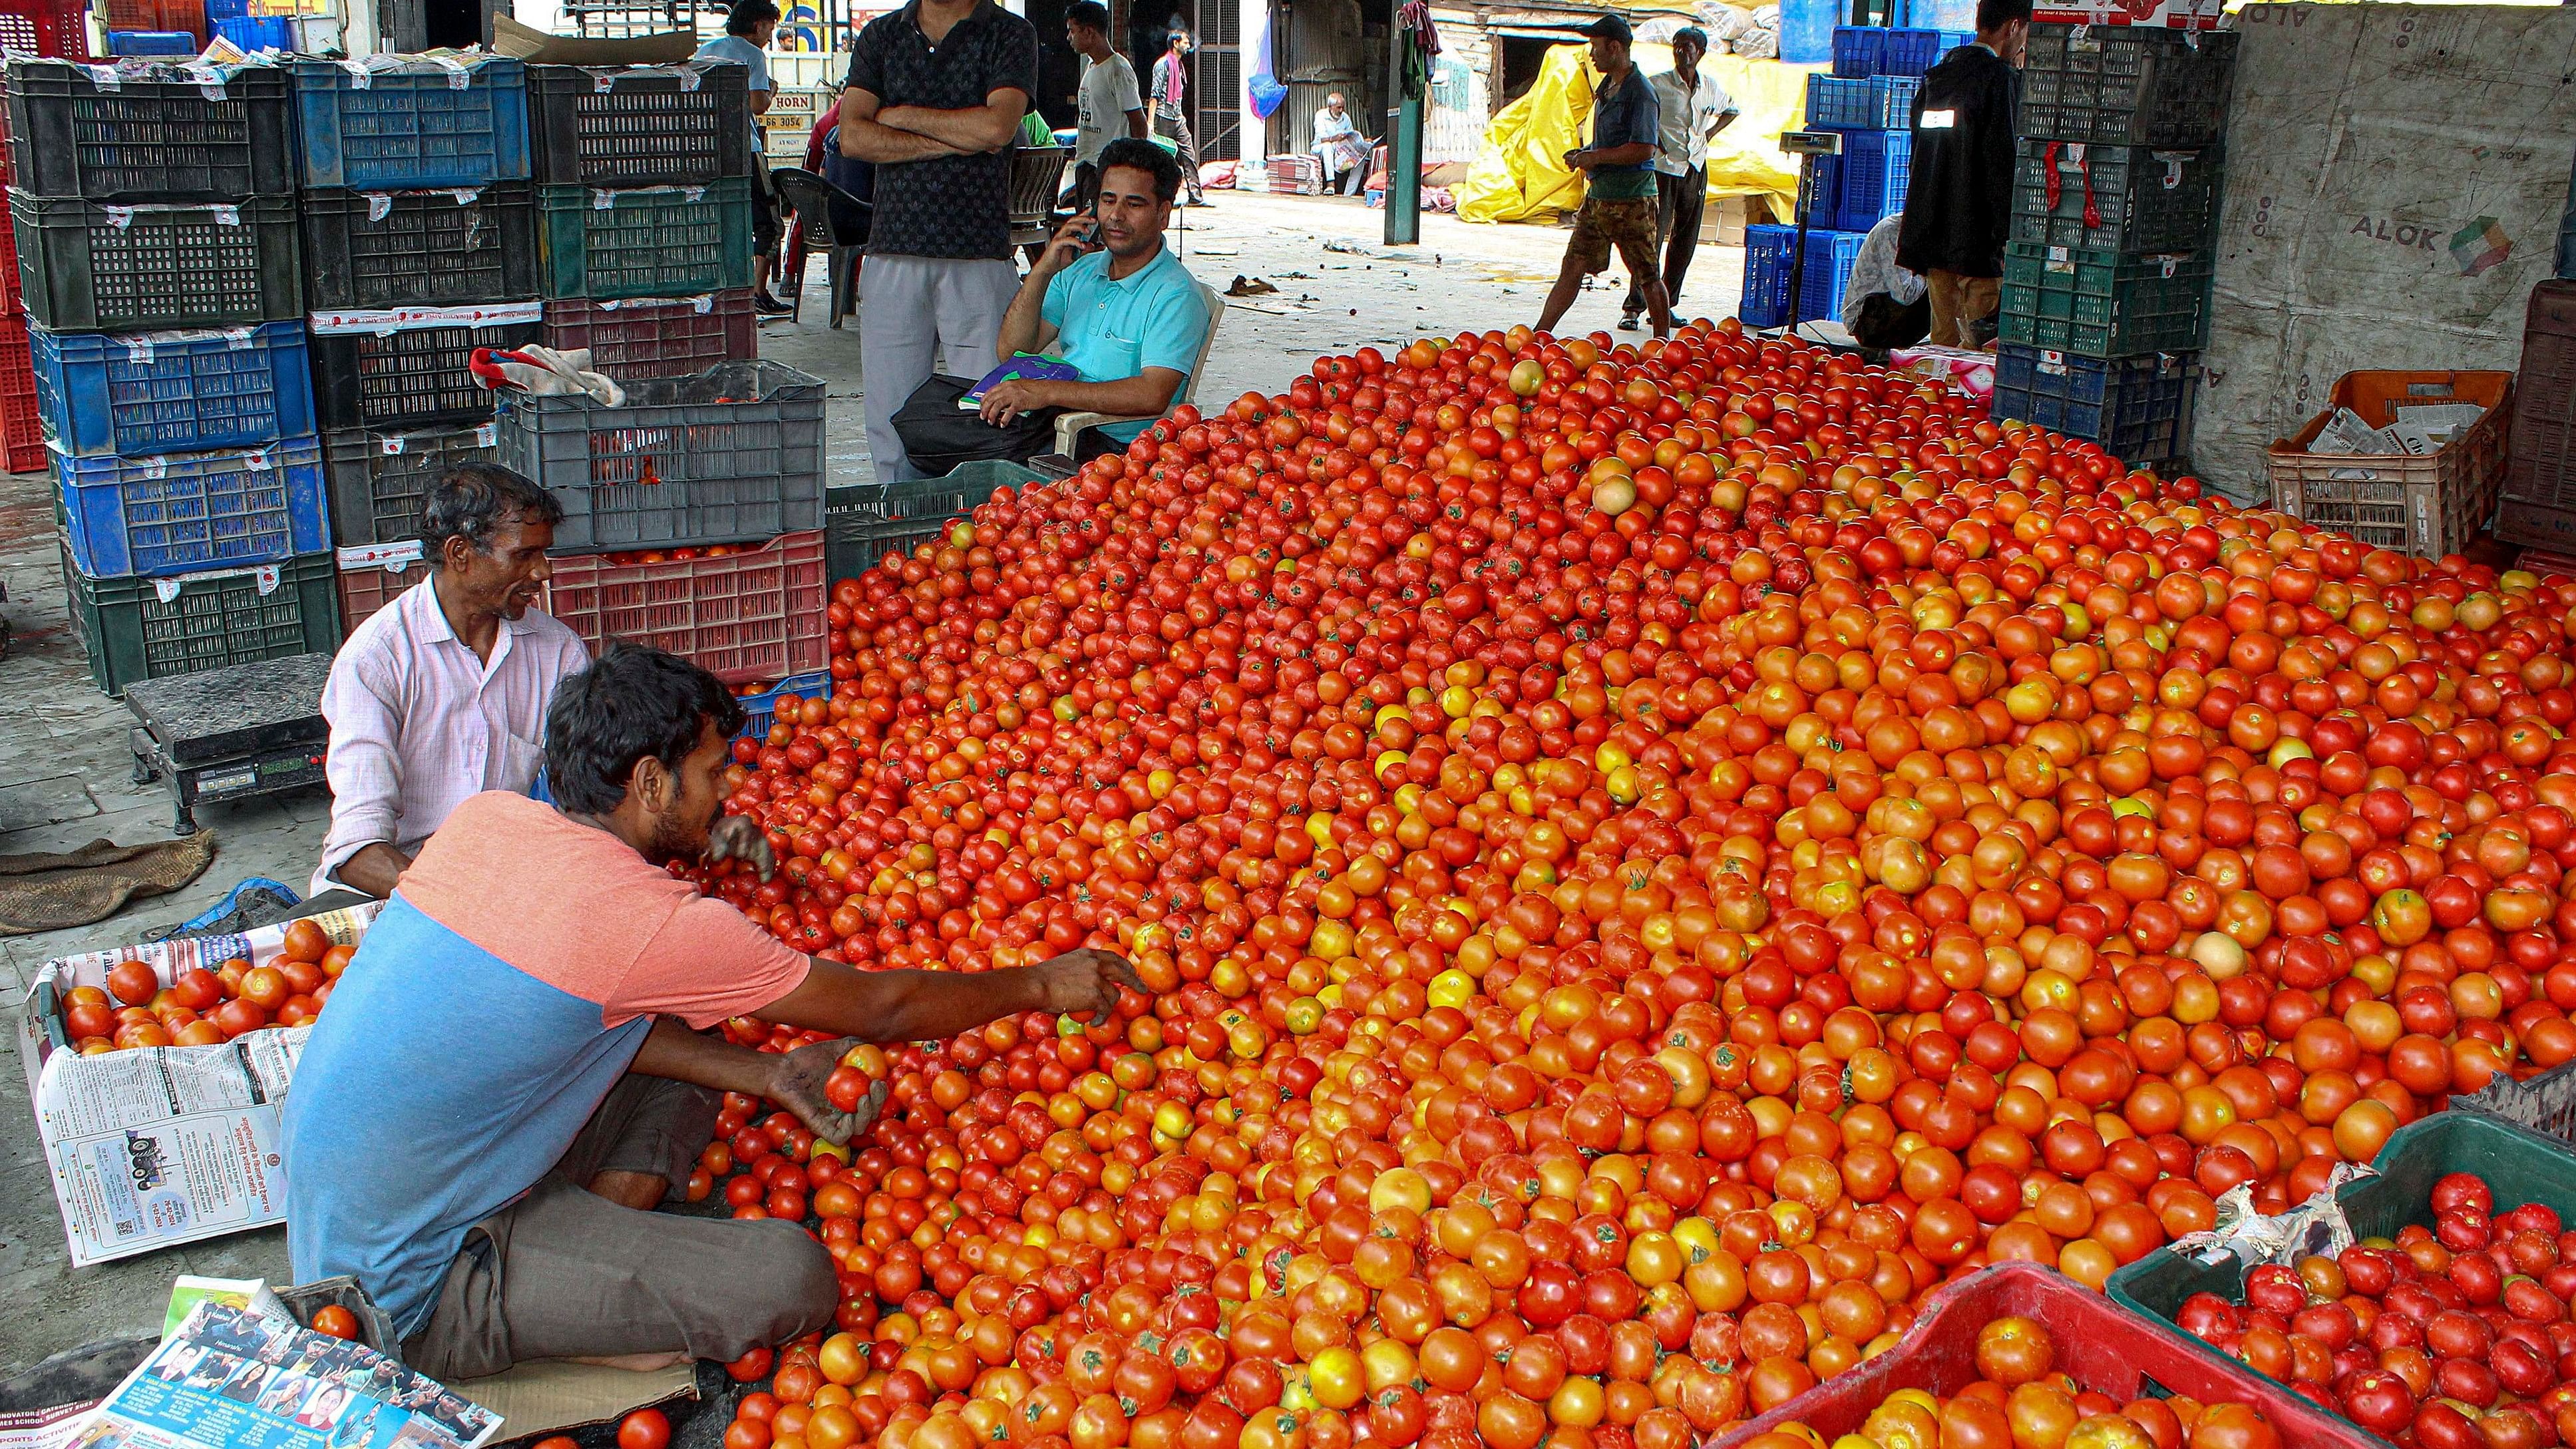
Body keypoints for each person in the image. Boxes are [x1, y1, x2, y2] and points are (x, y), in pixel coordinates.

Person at [280, 644, 1143, 1380]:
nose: (726, 793)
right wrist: (1040, 983)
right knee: (790, 1276)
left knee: (688, 1039)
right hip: (409, 1287)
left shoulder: (485, 822)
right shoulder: (644, 918)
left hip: (380, 1191)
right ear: (651, 782)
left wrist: (767, 1076)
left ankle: (596, 1254)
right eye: (714, 773)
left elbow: (570, 1018)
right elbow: (886, 1005)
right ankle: (573, 1295)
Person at [311, 465, 588, 905]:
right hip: (393, 887)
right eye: (523, 556)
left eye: (544, 554)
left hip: (496, 882)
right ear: (460, 553)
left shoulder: (559, 653)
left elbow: (589, 790)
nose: (544, 572)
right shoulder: (377, 659)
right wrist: (461, 902)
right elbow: (357, 851)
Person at [838, 0, 1039, 483]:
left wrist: (903, 115)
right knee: (890, 414)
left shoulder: (1010, 33)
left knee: (989, 411)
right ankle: (901, 527)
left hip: (978, 252)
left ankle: (988, 527)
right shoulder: (881, 35)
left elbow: (997, 127)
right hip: (893, 246)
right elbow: (854, 138)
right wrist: (957, 139)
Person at [974, 138, 1211, 448]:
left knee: (960, 445)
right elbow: (1014, 350)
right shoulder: (1081, 270)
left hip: (1112, 445)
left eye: (1134, 204)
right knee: (933, 411)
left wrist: (1045, 392)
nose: (1116, 215)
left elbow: (1153, 394)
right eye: (1108, 200)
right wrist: (1043, 270)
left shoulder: (1176, 296)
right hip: (1055, 420)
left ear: (1163, 214)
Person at [1897, 0, 2028, 348]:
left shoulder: (1937, 78)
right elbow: (2002, 163)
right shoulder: (2000, 81)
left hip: (1933, 238)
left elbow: (1918, 157)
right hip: (1978, 246)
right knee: (1977, 352)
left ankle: (1932, 402)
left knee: (1943, 344)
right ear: (2013, 27)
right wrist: (2008, 236)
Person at [1536, 15, 1670, 339]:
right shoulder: (1608, 87)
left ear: (1615, 48)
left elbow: (1644, 149)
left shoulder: (1641, 92)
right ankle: (1539, 336)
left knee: (1648, 275)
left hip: (1633, 200)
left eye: (1596, 47)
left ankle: (1663, 345)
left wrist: (1595, 157)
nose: (1592, 54)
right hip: (1599, 198)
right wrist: (1585, 152)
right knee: (1573, 266)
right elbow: (1612, 142)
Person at [1620, 27, 1735, 331]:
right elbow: (1638, 114)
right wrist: (1653, 138)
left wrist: (1709, 135)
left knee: (1685, 241)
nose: (1681, 52)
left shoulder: (1709, 87)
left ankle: (1666, 306)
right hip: (1663, 169)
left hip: (1695, 168)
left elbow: (1732, 109)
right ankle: (1633, 308)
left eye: (1687, 47)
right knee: (1651, 240)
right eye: (1677, 46)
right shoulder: (1657, 85)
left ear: (1701, 52)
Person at [695, 0, 790, 315]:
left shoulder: (704, 51)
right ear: (758, 25)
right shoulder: (753, 55)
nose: (770, 35)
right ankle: (758, 293)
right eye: (770, 28)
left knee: (720, 221)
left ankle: (721, 292)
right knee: (770, 223)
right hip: (744, 149)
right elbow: (758, 104)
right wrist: (771, 90)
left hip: (706, 149)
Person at [1067, 1, 1145, 212]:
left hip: (1105, 167)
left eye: (1073, 31)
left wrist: (1132, 169)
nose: (1069, 38)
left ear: (1089, 32)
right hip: (1085, 162)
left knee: (1096, 233)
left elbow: (1138, 123)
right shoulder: (1091, 69)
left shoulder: (1118, 69)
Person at [1842, 209, 1930, 349]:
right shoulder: (1892, 231)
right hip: (1867, 321)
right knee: (1941, 283)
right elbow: (1904, 294)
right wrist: (1933, 272)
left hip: (1886, 311)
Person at [1150, 28, 1206, 207]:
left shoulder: (1180, 66)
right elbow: (1155, 95)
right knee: (1162, 161)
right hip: (1163, 117)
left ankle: (1196, 197)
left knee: (1189, 155)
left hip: (1178, 117)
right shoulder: (1163, 65)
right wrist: (1150, 123)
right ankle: (1161, 198)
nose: (1189, 45)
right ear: (1175, 44)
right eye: (1185, 42)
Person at [1311, 92, 1370, 196]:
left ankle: (1349, 193)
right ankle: (1331, 184)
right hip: (1320, 147)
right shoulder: (1321, 115)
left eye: (1343, 107)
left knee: (1361, 157)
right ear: (1331, 106)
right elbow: (1321, 139)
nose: (1341, 110)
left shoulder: (1345, 118)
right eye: (1338, 108)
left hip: (1341, 148)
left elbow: (1351, 136)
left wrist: (1363, 142)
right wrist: (1335, 138)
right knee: (1327, 147)